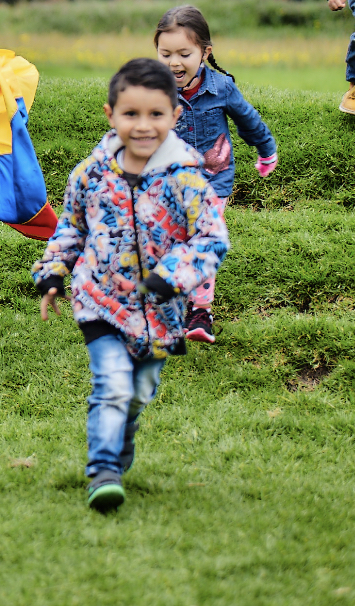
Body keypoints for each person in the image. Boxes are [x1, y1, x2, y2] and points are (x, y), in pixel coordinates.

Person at [32, 58, 229, 513]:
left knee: (138, 393)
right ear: (110, 115)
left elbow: (211, 239)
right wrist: (54, 272)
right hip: (99, 300)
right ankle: (102, 470)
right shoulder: (91, 174)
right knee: (112, 384)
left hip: (160, 313)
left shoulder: (188, 178)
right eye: (131, 114)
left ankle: (119, 447)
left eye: (156, 114)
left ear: (176, 116)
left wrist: (171, 276)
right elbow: (71, 228)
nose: (143, 126)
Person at [154, 4, 276, 344]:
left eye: (184, 53)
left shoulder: (221, 88)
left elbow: (248, 120)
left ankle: (201, 311)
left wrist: (267, 151)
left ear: (205, 52)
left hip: (213, 182)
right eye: (165, 54)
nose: (174, 62)